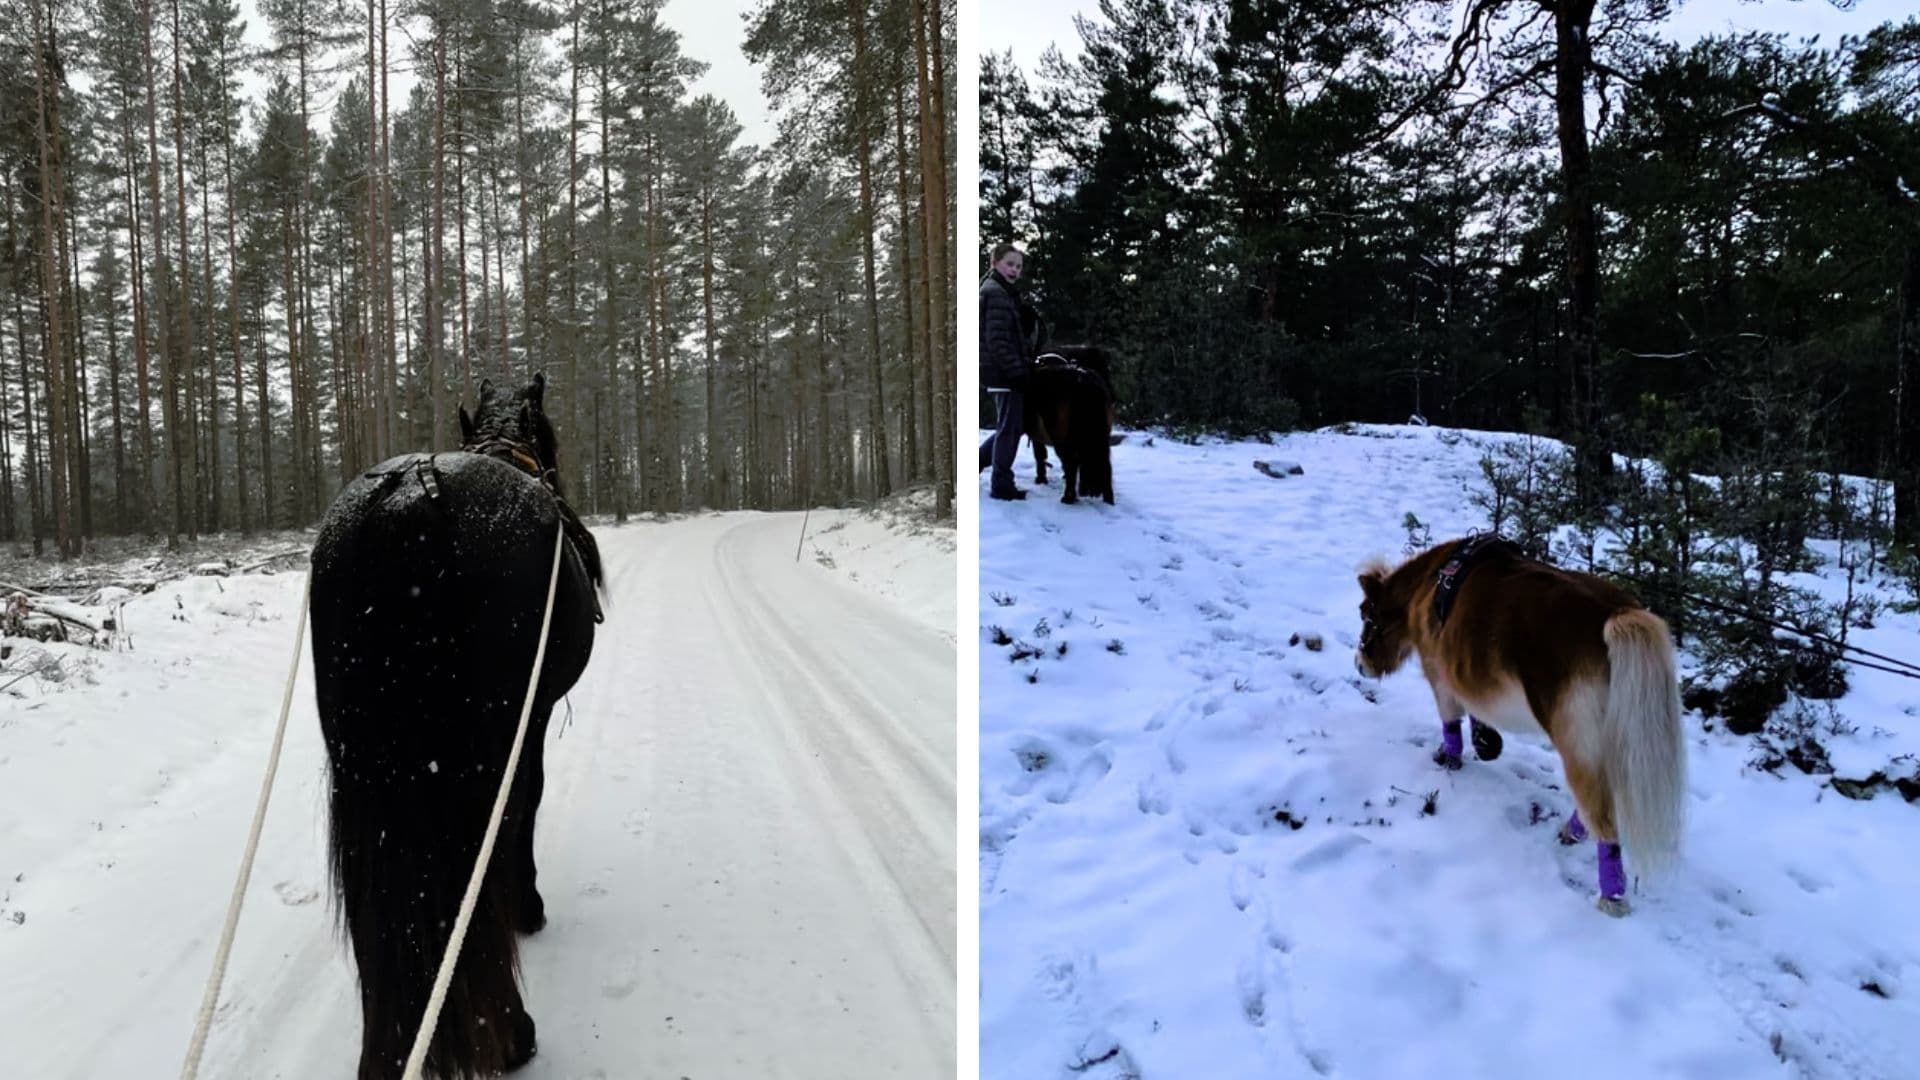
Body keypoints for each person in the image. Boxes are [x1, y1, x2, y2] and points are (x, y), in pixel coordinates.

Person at [979, 244, 1034, 501]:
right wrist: (1016, 371)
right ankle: (1001, 484)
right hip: (1003, 372)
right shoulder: (996, 293)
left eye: (1019, 266)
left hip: (1003, 370)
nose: (1014, 270)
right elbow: (997, 341)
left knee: (1011, 425)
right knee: (1010, 428)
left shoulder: (1001, 291)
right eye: (1010, 264)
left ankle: (977, 462)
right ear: (995, 262)